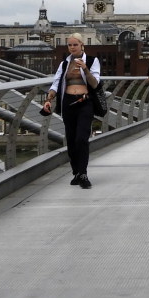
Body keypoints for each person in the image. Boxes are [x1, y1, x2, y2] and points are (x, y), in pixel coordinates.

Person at [42, 34, 100, 189]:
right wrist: (49, 98)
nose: (72, 47)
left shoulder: (92, 61)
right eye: (70, 45)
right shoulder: (64, 64)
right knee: (72, 140)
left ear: (82, 45)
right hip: (68, 103)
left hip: (85, 102)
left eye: (75, 44)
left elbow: (95, 84)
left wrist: (86, 70)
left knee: (82, 138)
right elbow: (56, 83)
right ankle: (76, 172)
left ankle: (83, 173)